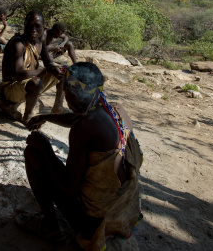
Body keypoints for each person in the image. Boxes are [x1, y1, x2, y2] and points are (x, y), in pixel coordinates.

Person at [16, 62, 143, 250]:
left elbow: (68, 187)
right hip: (121, 212)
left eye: (65, 89)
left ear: (71, 93)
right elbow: (79, 117)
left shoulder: (83, 129)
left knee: (33, 153)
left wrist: (45, 147)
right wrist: (46, 116)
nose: (64, 95)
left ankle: (50, 226)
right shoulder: (111, 108)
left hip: (93, 222)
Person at [0, 10, 65, 124]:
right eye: (29, 26)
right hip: (11, 89)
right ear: (24, 26)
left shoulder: (41, 39)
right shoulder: (18, 43)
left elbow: (47, 62)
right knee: (36, 83)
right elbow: (19, 74)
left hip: (29, 82)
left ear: (43, 28)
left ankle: (58, 107)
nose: (33, 30)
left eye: (37, 27)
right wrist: (46, 70)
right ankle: (28, 115)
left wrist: (53, 68)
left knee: (63, 71)